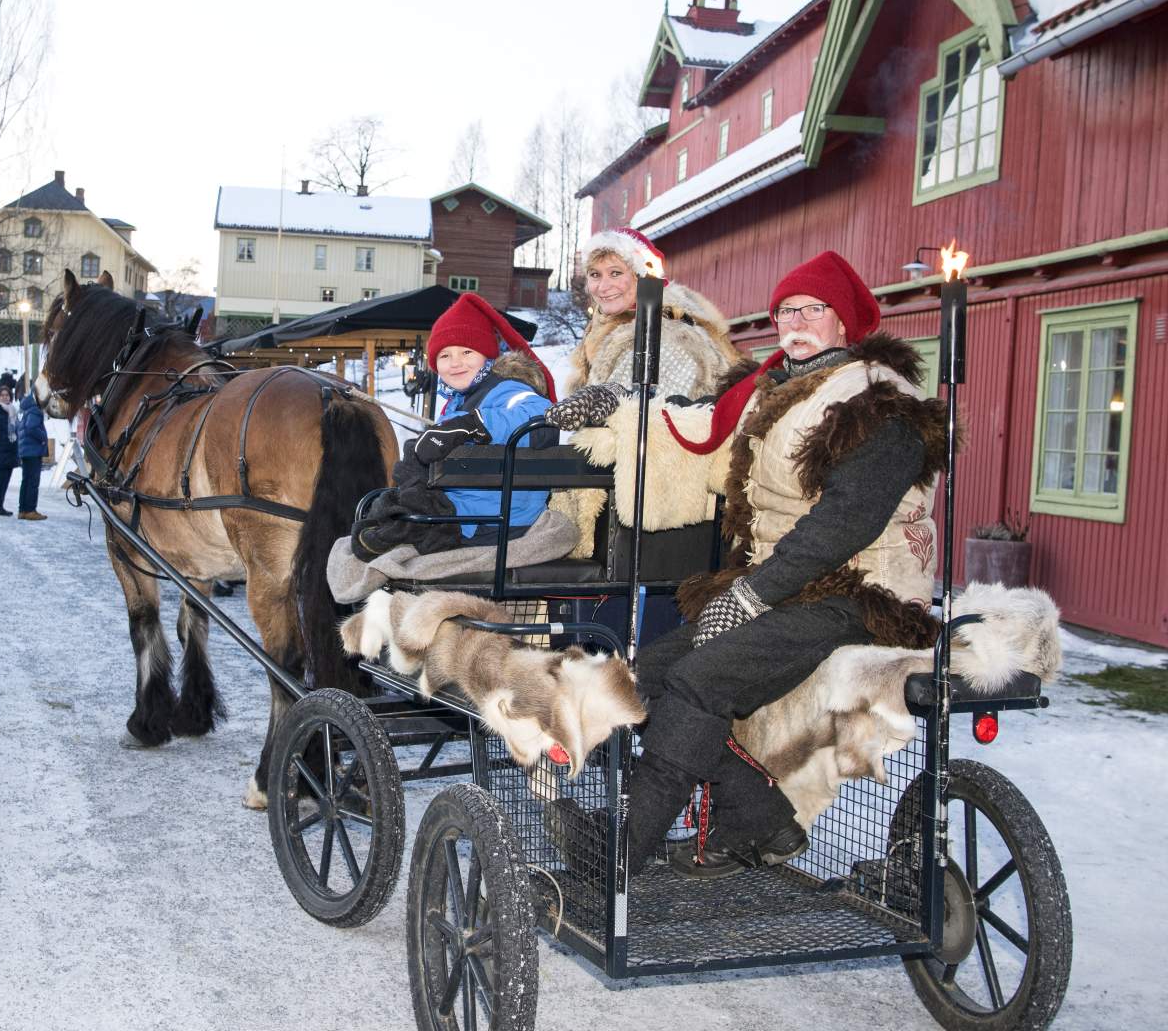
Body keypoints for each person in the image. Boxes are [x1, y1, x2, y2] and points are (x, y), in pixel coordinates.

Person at [544, 251, 950, 879]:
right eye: (788, 309)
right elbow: (696, 421)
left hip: (863, 594)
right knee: (647, 672)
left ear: (845, 323)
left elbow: (845, 523)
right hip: (792, 589)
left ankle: (622, 848)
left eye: (815, 310)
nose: (799, 321)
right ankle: (762, 822)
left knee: (700, 679)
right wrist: (621, 408)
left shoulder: (876, 399)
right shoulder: (784, 385)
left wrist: (754, 595)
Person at [351, 293, 557, 558]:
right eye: (445, 355)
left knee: (402, 516)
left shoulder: (508, 390)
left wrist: (475, 424)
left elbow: (543, 417)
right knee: (391, 498)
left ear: (487, 355)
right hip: (466, 510)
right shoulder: (458, 402)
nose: (455, 363)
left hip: (497, 518)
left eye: (467, 352)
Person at [570, 227, 740, 397]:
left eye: (615, 273)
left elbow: (671, 416)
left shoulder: (672, 334)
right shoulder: (597, 332)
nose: (603, 287)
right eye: (595, 274)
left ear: (642, 276)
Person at [16, 390, 48, 521]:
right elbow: (31, 427)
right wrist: (43, 438)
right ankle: (30, 510)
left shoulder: (25, 409)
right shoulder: (35, 410)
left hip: (25, 450)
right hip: (33, 450)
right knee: (33, 481)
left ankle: (22, 510)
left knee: (26, 481)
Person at [0, 385, 20, 516]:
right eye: (2, 395)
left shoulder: (13, 411)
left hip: (12, 449)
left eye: (7, 395)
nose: (5, 397)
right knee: (2, 479)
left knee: (6, 479)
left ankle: (0, 505)